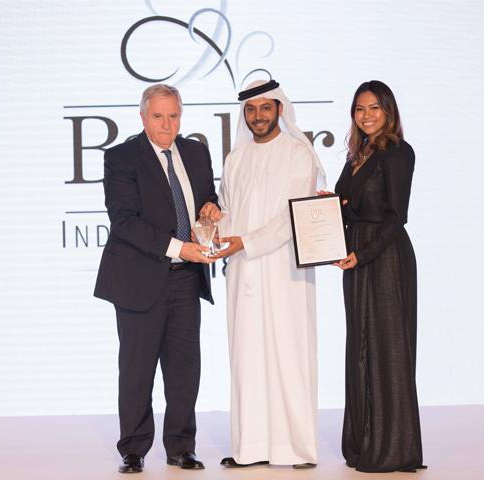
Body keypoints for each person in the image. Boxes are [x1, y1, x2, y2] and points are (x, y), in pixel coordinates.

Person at [93, 84, 221, 474]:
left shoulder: (196, 152)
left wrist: (212, 208)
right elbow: (125, 221)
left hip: (186, 278)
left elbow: (206, 199)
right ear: (143, 116)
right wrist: (180, 247)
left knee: (185, 369)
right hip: (139, 278)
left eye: (173, 116)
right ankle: (133, 449)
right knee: (137, 369)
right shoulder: (121, 157)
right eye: (158, 116)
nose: (167, 124)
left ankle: (181, 447)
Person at [213, 79, 326, 469]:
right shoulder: (235, 158)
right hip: (242, 272)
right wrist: (210, 223)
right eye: (251, 109)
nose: (258, 116)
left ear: (280, 109)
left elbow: (292, 217)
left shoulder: (299, 153)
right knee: (246, 358)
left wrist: (245, 241)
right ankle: (250, 448)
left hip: (284, 271)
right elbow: (228, 211)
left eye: (265, 107)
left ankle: (297, 448)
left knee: (289, 355)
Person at [320, 80, 426, 473]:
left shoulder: (397, 152)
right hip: (357, 257)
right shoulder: (357, 154)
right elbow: (347, 204)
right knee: (362, 348)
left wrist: (361, 253)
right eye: (360, 109)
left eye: (374, 108)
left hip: (385, 257)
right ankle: (365, 445)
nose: (366, 116)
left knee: (387, 350)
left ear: (388, 111)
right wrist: (328, 208)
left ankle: (393, 449)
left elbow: (396, 217)